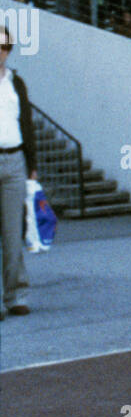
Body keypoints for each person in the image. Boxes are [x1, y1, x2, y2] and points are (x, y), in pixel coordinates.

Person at [0, 26, 37, 318]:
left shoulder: (16, 82)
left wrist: (32, 165)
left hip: (14, 161)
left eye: (4, 46)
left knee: (14, 232)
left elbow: (27, 124)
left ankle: (16, 295)